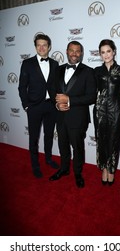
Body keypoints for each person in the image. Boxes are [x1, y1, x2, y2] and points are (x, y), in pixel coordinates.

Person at [49, 41, 96, 188]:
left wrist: (69, 100)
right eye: (71, 50)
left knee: (77, 147)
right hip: (60, 116)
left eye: (77, 51)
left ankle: (77, 173)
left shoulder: (88, 71)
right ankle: (63, 169)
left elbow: (91, 97)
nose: (74, 53)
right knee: (62, 145)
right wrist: (57, 104)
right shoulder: (58, 69)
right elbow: (52, 90)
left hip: (78, 117)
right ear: (66, 51)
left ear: (81, 53)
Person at [18, 34, 59, 178]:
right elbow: (22, 87)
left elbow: (56, 86)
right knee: (34, 138)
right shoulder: (27, 63)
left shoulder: (55, 64)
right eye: (38, 45)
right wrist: (26, 106)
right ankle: (35, 165)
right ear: (35, 46)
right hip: (34, 107)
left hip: (51, 106)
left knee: (49, 135)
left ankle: (48, 159)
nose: (41, 48)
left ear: (49, 47)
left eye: (44, 45)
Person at [93, 39, 120, 185]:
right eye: (103, 52)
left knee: (114, 140)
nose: (106, 55)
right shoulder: (96, 71)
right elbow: (92, 91)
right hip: (99, 111)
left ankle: (111, 169)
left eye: (108, 51)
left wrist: (111, 95)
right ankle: (104, 169)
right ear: (100, 55)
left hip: (116, 110)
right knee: (101, 140)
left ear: (113, 52)